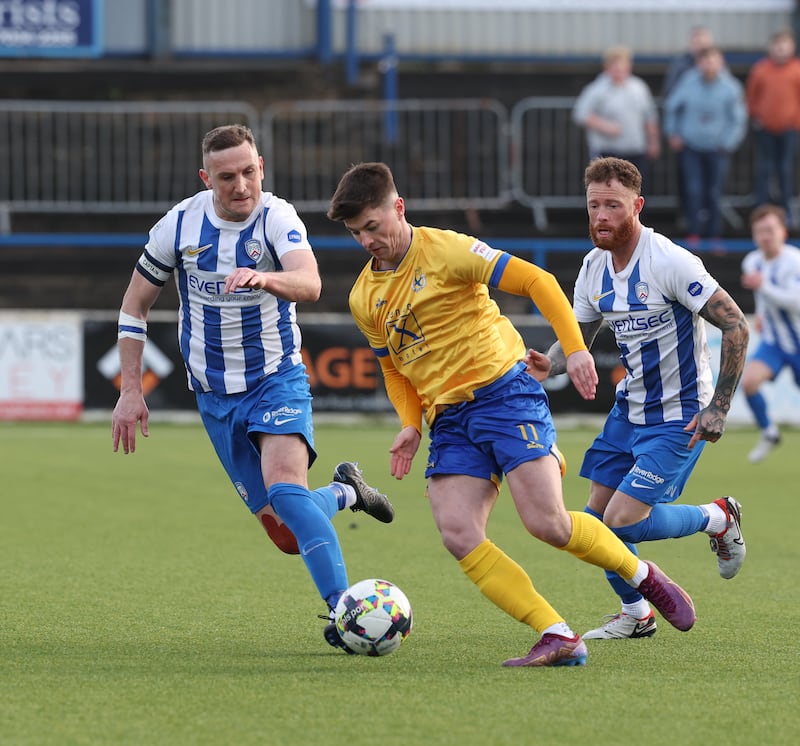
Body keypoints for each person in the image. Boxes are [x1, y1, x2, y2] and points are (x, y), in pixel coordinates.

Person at [327, 161, 696, 668]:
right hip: (450, 421)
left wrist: (577, 349)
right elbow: (394, 370)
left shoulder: (448, 250)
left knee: (547, 524)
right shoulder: (363, 297)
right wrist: (411, 423)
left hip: (506, 396)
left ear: (398, 207)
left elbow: (538, 281)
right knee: (458, 533)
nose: (367, 239)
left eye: (373, 226)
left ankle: (643, 577)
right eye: (355, 233)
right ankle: (556, 633)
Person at [111, 124, 394, 653]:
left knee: (287, 490)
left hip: (276, 378)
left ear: (261, 166)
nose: (241, 185)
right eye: (227, 177)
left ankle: (345, 613)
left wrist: (264, 278)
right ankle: (346, 490)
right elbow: (134, 306)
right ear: (206, 178)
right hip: (214, 396)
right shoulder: (179, 225)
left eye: (249, 172)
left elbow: (310, 283)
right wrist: (131, 389)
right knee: (288, 535)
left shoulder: (277, 218)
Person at [527, 157, 748, 640]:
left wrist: (720, 407)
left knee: (620, 523)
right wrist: (552, 362)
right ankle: (636, 614)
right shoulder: (592, 267)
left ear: (637, 206)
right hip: (629, 410)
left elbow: (735, 324)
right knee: (591, 522)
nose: (601, 215)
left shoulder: (670, 262)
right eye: (593, 205)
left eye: (612, 205)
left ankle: (718, 517)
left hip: (681, 414)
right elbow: (576, 337)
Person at [663, 46, 748, 244]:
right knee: (694, 190)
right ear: (699, 63)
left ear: (721, 62)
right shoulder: (687, 82)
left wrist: (728, 142)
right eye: (705, 60)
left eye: (713, 60)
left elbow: (738, 119)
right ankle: (694, 233)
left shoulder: (731, 87)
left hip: (717, 149)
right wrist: (673, 133)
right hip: (690, 147)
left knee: (714, 191)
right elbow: (672, 107)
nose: (709, 64)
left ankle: (714, 235)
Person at [740, 204, 800, 462]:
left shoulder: (794, 261)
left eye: (770, 230)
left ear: (783, 232)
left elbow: (797, 302)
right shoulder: (751, 261)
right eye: (759, 231)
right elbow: (763, 298)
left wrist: (764, 285)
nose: (765, 236)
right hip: (774, 343)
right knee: (749, 382)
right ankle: (769, 432)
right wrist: (762, 315)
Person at [573, 45, 661, 192]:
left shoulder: (638, 87)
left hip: (635, 150)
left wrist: (653, 141)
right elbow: (580, 113)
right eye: (615, 66)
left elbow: (649, 116)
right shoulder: (597, 89)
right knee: (609, 192)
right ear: (607, 67)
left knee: (635, 191)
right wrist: (605, 126)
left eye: (622, 66)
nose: (619, 70)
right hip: (607, 152)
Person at [661, 26, 715, 227]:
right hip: (686, 136)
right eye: (697, 40)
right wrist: (674, 131)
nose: (701, 45)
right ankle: (687, 218)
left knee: (711, 186)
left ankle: (709, 222)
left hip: (713, 139)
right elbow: (671, 99)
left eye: (704, 40)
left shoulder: (718, 66)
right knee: (687, 182)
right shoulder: (681, 67)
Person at [746, 28, 800, 227]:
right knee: (764, 170)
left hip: (790, 129)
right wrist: (756, 117)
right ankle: (761, 211)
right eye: (777, 45)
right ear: (771, 48)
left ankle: (786, 213)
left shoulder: (796, 69)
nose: (780, 50)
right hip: (765, 128)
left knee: (786, 170)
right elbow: (751, 96)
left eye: (784, 45)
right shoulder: (761, 69)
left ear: (792, 48)